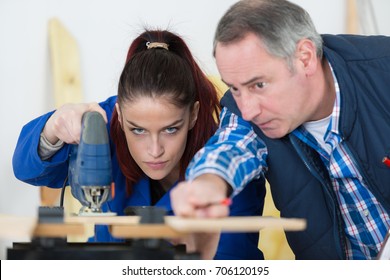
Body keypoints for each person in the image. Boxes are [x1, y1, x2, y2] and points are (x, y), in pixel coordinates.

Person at [12, 29, 265, 260]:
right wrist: (53, 128)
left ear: (194, 115)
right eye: (138, 130)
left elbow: (232, 260)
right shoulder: (105, 126)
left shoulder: (228, 163)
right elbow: (27, 169)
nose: (155, 150)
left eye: (170, 129)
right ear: (120, 115)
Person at [170, 0, 390, 260]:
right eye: (235, 88)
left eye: (259, 85)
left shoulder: (382, 70)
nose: (248, 109)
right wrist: (207, 186)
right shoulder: (247, 113)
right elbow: (230, 148)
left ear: (304, 58)